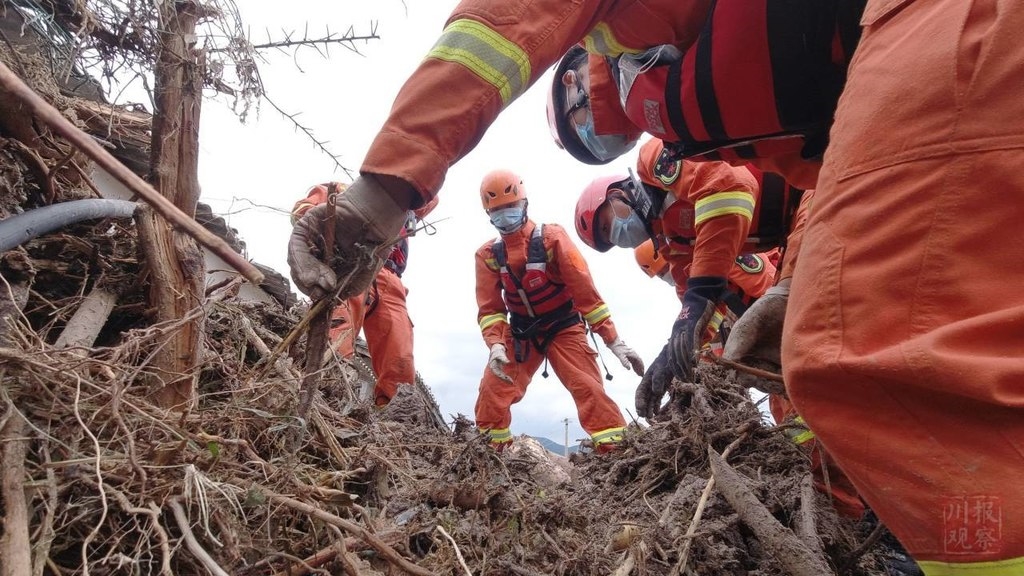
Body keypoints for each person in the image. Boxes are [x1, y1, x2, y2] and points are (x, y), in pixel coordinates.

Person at [472, 169, 644, 452]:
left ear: (524, 204)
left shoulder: (552, 239)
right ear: (488, 213)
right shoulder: (488, 255)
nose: (505, 214)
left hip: (563, 327)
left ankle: (618, 455)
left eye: (511, 206)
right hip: (521, 333)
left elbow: (585, 292)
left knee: (588, 388)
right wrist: (496, 345)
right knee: (493, 390)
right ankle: (487, 457)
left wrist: (613, 340)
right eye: (497, 210)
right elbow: (490, 309)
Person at [290, 182, 436, 406]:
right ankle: (326, 400)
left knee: (400, 359)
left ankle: (396, 416)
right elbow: (303, 211)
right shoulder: (343, 190)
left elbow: (430, 194)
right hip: (351, 266)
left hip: (391, 279)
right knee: (336, 337)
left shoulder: (406, 209)